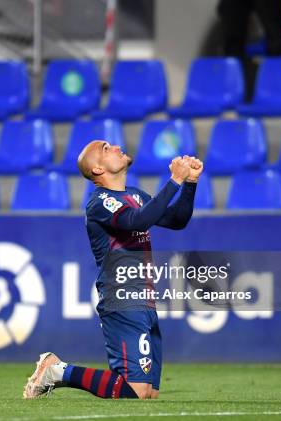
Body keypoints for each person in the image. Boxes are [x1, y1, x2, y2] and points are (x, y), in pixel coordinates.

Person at [23, 141, 202, 399]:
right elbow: (137, 220)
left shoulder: (135, 195)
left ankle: (57, 371)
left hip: (145, 299)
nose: (116, 146)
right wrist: (174, 180)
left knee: (149, 393)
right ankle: (57, 371)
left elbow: (177, 220)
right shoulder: (100, 203)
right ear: (97, 169)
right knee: (137, 390)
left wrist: (190, 184)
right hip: (122, 299)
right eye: (106, 148)